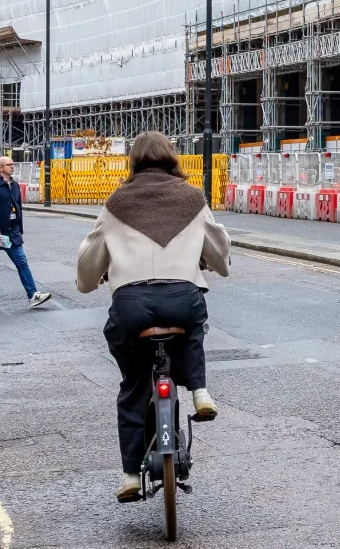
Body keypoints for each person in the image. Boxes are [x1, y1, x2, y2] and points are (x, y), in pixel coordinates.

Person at [76, 131, 230, 502]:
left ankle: (130, 475)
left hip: (131, 306)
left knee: (133, 387)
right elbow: (218, 251)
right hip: (181, 298)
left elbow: (90, 261)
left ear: (134, 161)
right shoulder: (192, 198)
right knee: (194, 325)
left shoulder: (117, 202)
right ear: (171, 157)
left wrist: (90, 279)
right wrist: (215, 260)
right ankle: (199, 391)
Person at [0, 155, 52, 311]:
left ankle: (33, 295)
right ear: (0, 168)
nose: (12, 166)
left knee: (22, 262)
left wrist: (19, 229)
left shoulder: (15, 186)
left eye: (13, 164)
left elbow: (18, 208)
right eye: (9, 164)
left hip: (12, 233)